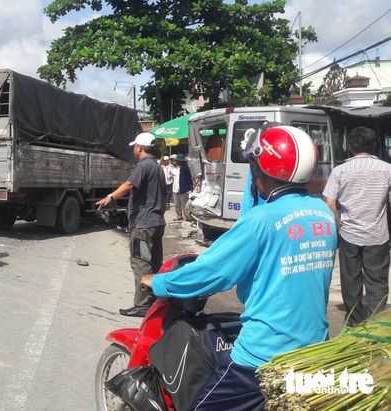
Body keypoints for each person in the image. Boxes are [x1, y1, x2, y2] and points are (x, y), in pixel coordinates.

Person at [141, 126, 337, 410]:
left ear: (261, 170)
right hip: (315, 348)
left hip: (263, 356)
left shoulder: (261, 221)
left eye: (254, 167)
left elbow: (212, 272)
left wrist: (158, 282)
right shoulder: (324, 215)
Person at [323, 126, 391, 327]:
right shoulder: (387, 169)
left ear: (350, 147)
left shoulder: (340, 171)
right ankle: (376, 324)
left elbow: (329, 202)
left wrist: (338, 226)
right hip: (378, 235)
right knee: (377, 282)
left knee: (351, 282)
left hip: (349, 235)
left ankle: (355, 322)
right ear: (375, 146)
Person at [96, 132, 166, 317]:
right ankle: (157, 301)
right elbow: (164, 197)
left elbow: (129, 185)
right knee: (154, 263)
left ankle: (143, 306)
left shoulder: (144, 165)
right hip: (157, 223)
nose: (134, 148)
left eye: (135, 146)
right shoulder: (158, 168)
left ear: (140, 148)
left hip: (143, 225)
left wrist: (110, 197)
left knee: (141, 263)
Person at [175, 154, 192, 222]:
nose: (176, 162)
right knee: (184, 205)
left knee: (184, 205)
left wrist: (190, 185)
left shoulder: (184, 167)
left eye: (177, 161)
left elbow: (188, 178)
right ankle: (186, 218)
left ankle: (186, 219)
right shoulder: (184, 167)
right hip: (183, 188)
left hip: (185, 189)